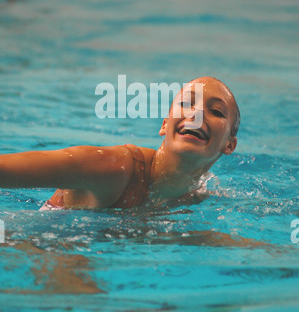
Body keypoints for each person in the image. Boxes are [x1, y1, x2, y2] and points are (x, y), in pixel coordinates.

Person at [0, 76, 240, 211]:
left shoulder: (195, 197)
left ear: (229, 145)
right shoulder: (116, 168)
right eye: (187, 104)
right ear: (165, 125)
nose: (196, 114)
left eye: (216, 112)